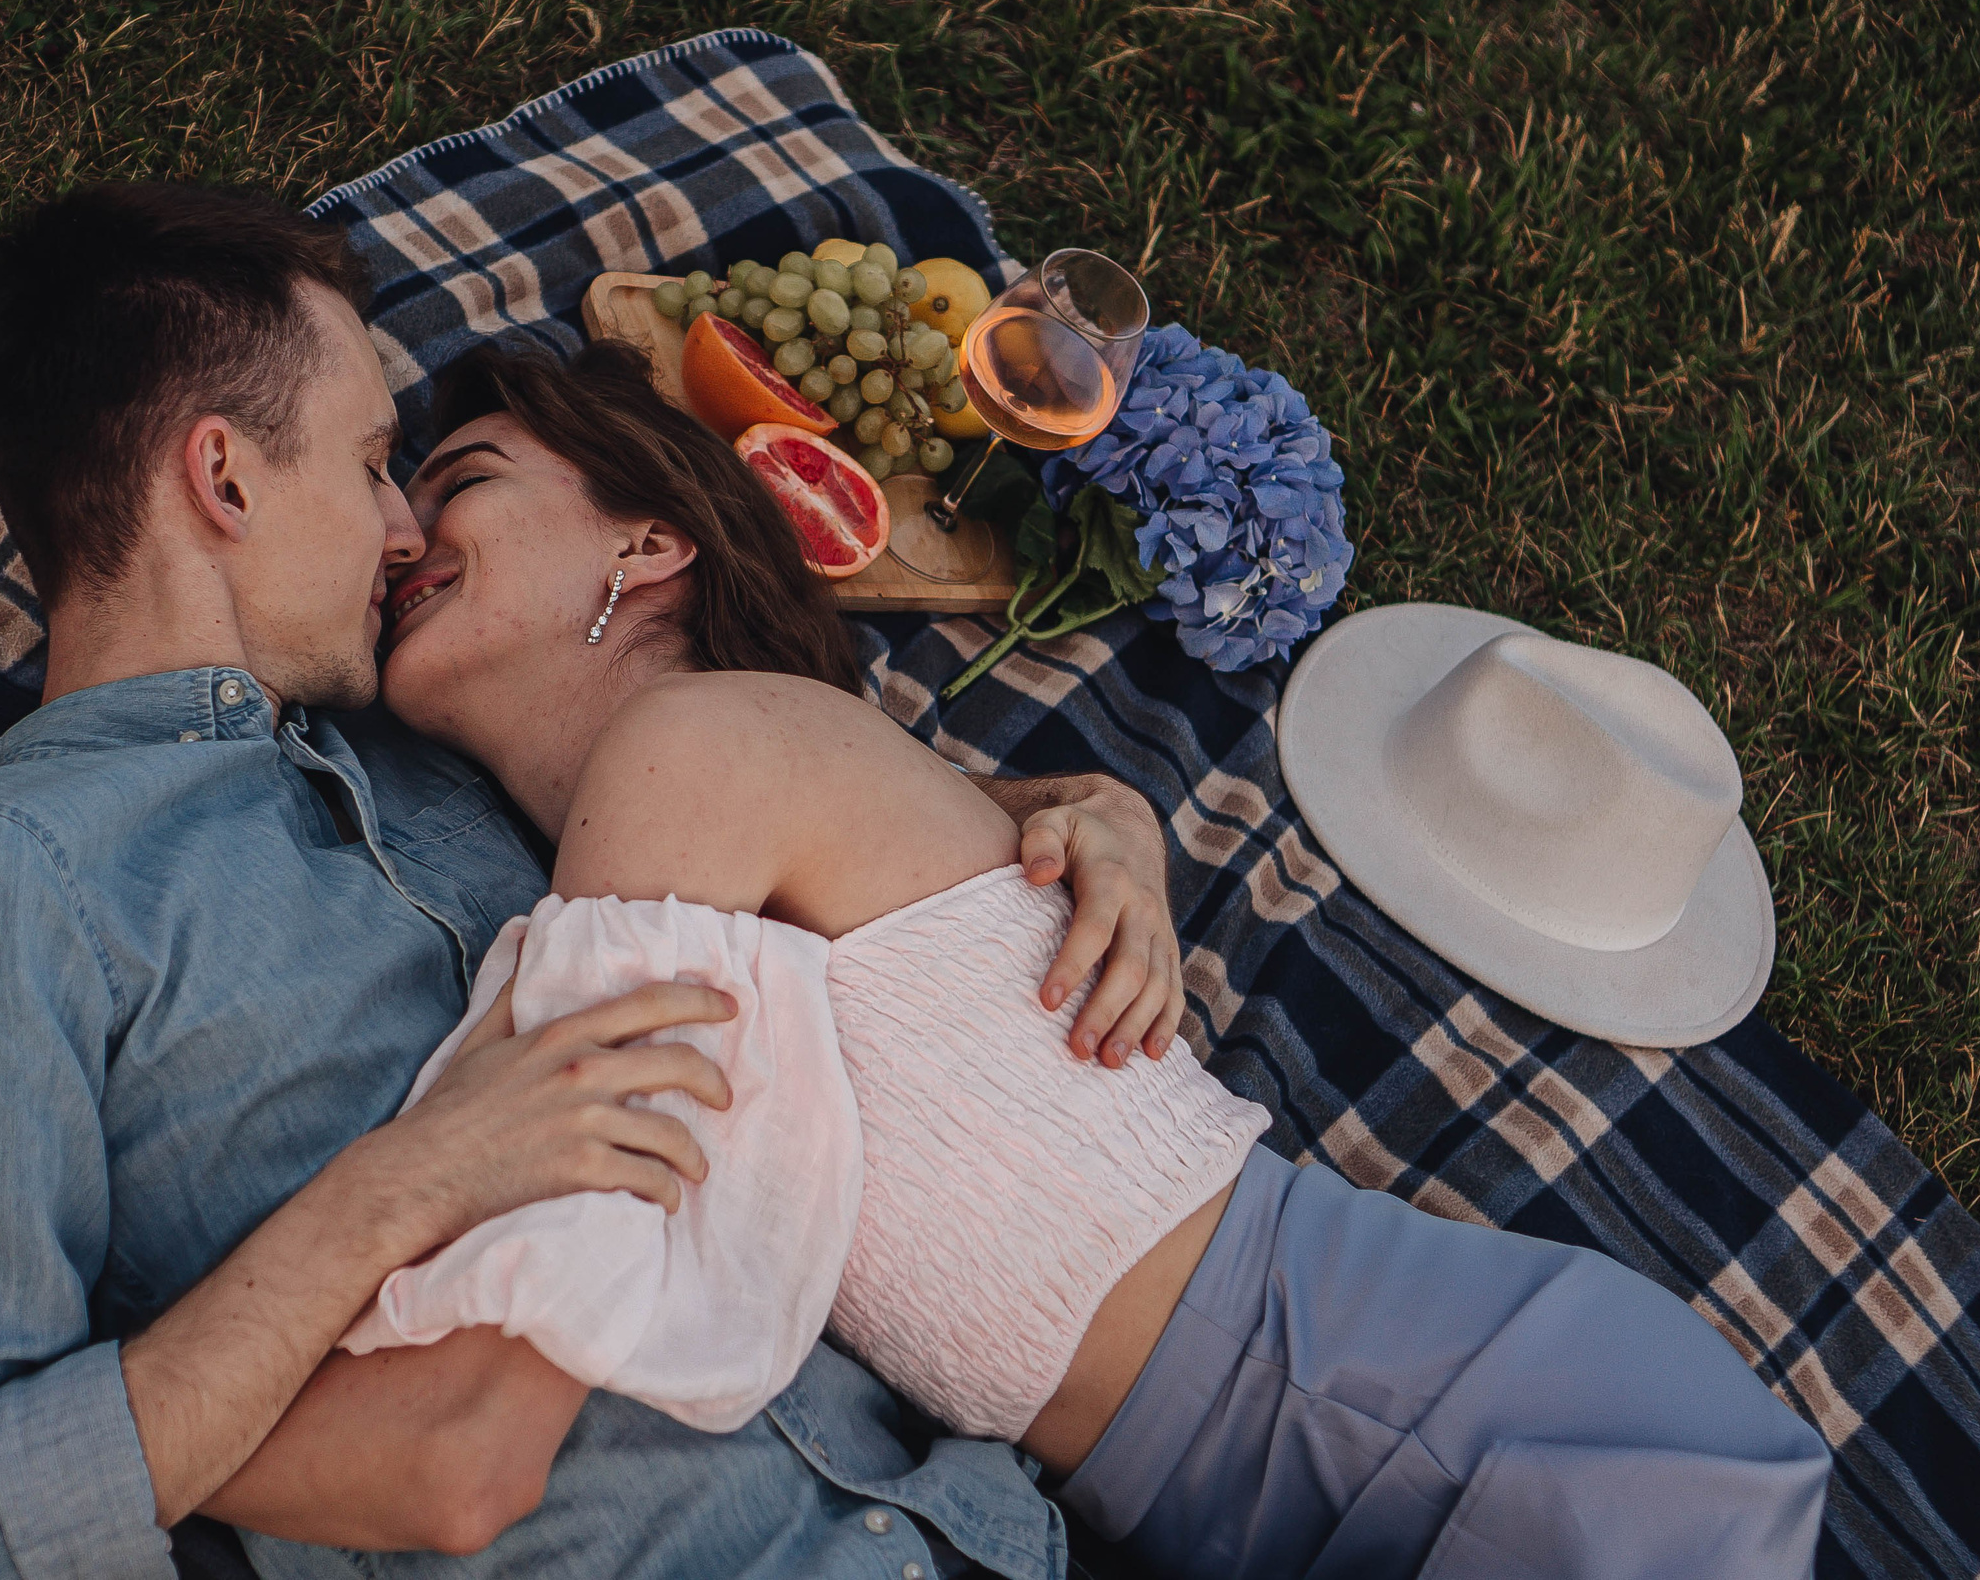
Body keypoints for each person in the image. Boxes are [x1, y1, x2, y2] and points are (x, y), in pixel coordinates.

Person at [0, 179, 1192, 1580]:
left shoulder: (429, 747)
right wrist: (406, 1183)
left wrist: (1075, 807)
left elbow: (760, 798)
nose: (404, 533)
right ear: (222, 480)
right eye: (366, 468)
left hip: (999, 1533)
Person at [347, 336, 1838, 1579]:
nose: (402, 536)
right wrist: (1085, 803)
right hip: (1303, 1460)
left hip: (1487, 1425)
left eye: (458, 483)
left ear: (650, 537)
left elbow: (520, 1316)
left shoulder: (694, 755)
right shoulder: (721, 798)